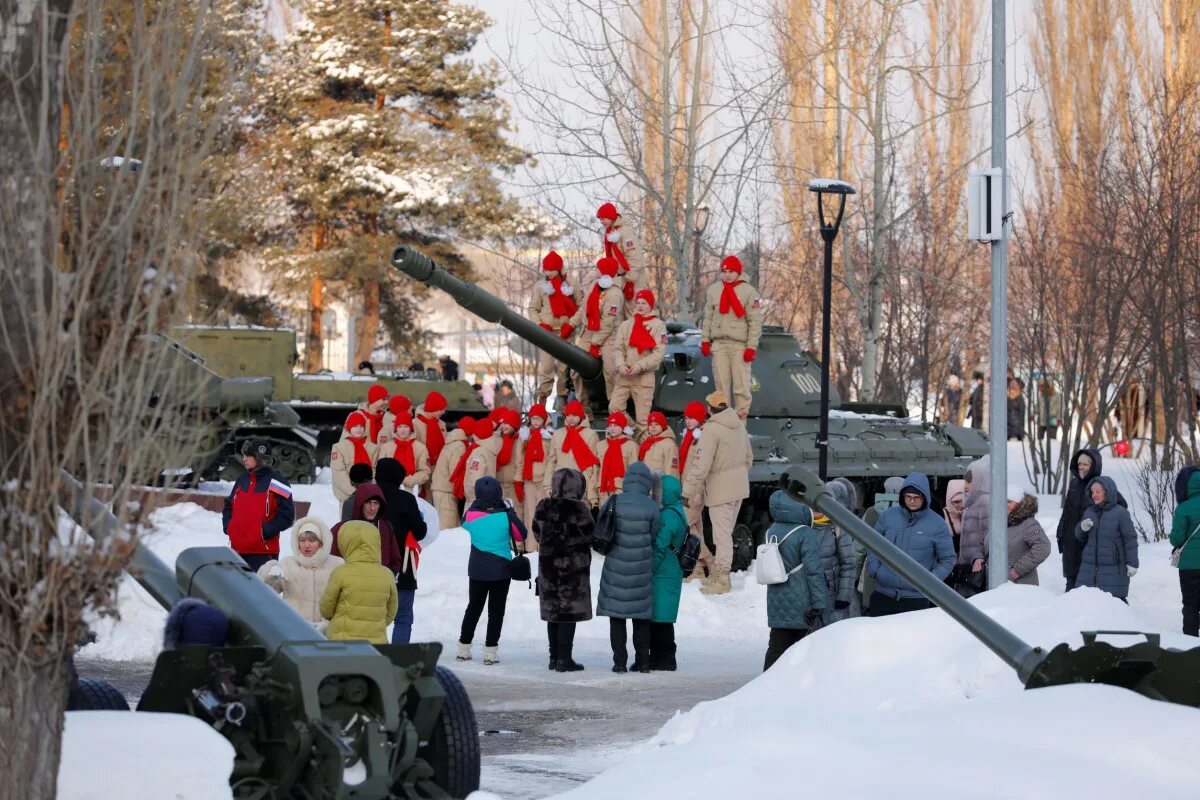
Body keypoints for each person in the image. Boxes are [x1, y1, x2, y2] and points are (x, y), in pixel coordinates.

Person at [681, 391, 752, 595]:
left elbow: (701, 466)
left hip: (720, 489)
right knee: (725, 535)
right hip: (739, 488)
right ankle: (718, 575)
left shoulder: (711, 430)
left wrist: (687, 491)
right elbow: (749, 459)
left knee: (721, 538)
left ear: (710, 409)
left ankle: (722, 579)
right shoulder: (739, 425)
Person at [596, 462, 659, 673]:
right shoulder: (651, 506)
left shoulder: (614, 500)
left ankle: (619, 663)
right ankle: (643, 663)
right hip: (641, 567)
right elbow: (653, 535)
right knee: (641, 617)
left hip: (615, 566)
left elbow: (602, 526)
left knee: (617, 617)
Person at [458, 476, 527, 664]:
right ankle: (490, 651)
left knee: (473, 607)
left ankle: (463, 648)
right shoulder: (505, 515)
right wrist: (510, 511)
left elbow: (463, 525)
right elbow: (522, 534)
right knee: (496, 611)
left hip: (477, 570)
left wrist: (475, 507)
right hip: (501, 569)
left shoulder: (471, 516)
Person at [866, 473, 955, 616]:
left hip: (916, 598)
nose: (911, 501)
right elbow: (873, 545)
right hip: (883, 594)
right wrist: (875, 570)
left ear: (925, 497)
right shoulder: (888, 516)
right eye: (908, 497)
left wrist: (930, 581)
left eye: (916, 497)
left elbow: (948, 558)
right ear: (902, 496)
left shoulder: (937, 524)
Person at [533, 468, 595, 671]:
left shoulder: (543, 505)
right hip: (573, 569)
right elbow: (589, 536)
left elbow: (536, 531)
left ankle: (553, 658)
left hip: (549, 566)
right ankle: (564, 659)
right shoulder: (580, 509)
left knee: (553, 612)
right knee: (568, 613)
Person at [762, 489, 828, 671]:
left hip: (777, 601)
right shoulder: (805, 533)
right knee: (806, 651)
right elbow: (813, 571)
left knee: (776, 648)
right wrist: (819, 604)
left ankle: (766, 686)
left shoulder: (771, 531)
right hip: (802, 602)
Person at [700, 255, 763, 418]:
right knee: (721, 389)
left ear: (738, 272)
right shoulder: (714, 290)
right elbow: (708, 318)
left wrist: (751, 347)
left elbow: (755, 322)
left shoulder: (749, 292)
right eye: (724, 271)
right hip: (719, 345)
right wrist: (705, 340)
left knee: (741, 388)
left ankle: (740, 427)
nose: (727, 275)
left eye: (731, 271)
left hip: (739, 346)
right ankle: (723, 425)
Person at [1056, 448, 1126, 591]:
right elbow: (1067, 512)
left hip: (1090, 541)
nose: (1081, 467)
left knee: (1086, 581)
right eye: (1079, 464)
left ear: (1094, 465)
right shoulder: (1074, 484)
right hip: (1071, 540)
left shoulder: (1100, 485)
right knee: (1070, 578)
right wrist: (1061, 535)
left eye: (1085, 464)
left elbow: (1120, 506)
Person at [374, 458, 428, 644]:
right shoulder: (406, 499)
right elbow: (420, 532)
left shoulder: (368, 499)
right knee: (403, 617)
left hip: (372, 565)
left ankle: (373, 655)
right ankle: (398, 659)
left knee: (373, 617)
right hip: (403, 564)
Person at [257, 517, 343, 633]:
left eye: (312, 541)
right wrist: (270, 574)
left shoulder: (336, 565)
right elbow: (264, 592)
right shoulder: (287, 564)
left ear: (321, 542)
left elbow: (343, 602)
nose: (306, 545)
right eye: (302, 540)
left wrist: (328, 625)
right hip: (294, 630)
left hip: (327, 633)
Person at [222, 438, 295, 571]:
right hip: (237, 552)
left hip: (264, 554)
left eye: (248, 455)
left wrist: (263, 532)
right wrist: (229, 527)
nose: (244, 459)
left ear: (260, 458)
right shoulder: (242, 479)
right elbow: (229, 505)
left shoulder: (279, 482)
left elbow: (287, 516)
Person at [320, 521, 398, 644]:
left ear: (344, 542)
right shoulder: (387, 575)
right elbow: (391, 613)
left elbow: (326, 609)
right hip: (376, 645)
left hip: (342, 644)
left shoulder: (340, 573)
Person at [609, 289, 666, 431]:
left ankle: (642, 448)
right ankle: (633, 431)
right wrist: (620, 364)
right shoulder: (626, 325)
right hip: (625, 375)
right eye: (638, 303)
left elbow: (658, 354)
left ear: (650, 305)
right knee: (614, 407)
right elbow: (617, 349)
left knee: (643, 419)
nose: (640, 306)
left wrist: (640, 366)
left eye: (644, 303)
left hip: (643, 378)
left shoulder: (658, 325)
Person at [1074, 475, 1138, 602]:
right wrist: (1081, 528)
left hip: (1114, 570)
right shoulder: (1089, 511)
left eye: (1098, 491)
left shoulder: (1121, 513)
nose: (1094, 495)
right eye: (1092, 492)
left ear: (1107, 492)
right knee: (1087, 605)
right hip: (1089, 569)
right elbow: (1079, 537)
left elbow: (1130, 539)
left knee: (1114, 606)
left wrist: (1132, 563)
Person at [529, 250, 579, 406]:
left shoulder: (571, 284)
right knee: (547, 369)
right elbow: (532, 309)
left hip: (566, 332)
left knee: (563, 370)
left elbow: (581, 307)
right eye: (546, 269)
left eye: (552, 269)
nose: (548, 273)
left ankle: (562, 402)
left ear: (559, 269)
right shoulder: (540, 287)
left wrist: (571, 324)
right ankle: (541, 402)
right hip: (547, 333)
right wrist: (539, 325)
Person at [650, 475, 688, 671]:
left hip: (664, 572)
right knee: (662, 616)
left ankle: (663, 659)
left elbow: (659, 546)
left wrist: (649, 569)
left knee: (661, 618)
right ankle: (661, 657)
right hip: (670, 571)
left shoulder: (668, 516)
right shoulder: (677, 510)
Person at [575, 256, 625, 397]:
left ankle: (615, 411)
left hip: (610, 336)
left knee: (610, 372)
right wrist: (571, 324)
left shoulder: (615, 294)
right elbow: (583, 310)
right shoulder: (595, 286)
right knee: (575, 369)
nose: (595, 271)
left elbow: (607, 324)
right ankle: (583, 411)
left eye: (598, 268)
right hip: (589, 332)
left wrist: (595, 344)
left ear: (604, 272)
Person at [811, 481, 860, 626]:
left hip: (832, 597)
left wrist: (844, 597)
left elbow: (848, 564)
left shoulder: (837, 529)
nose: (817, 509)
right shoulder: (803, 526)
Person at [543, 400, 601, 509]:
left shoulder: (590, 435)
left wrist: (589, 490)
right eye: (568, 415)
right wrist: (547, 486)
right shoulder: (558, 434)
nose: (571, 418)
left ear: (581, 416)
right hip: (559, 486)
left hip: (580, 486)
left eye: (574, 415)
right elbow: (551, 461)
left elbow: (593, 465)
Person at [825, 477, 866, 619]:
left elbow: (849, 562)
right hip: (840, 589)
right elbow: (851, 562)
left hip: (831, 589)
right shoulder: (847, 524)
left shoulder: (831, 526)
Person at [678, 401, 709, 580]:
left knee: (686, 525)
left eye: (692, 418)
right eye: (686, 418)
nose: (688, 421)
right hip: (687, 487)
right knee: (697, 528)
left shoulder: (703, 437)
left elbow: (701, 468)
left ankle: (707, 560)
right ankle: (698, 567)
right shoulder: (689, 436)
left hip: (695, 490)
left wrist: (698, 492)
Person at [596, 202, 645, 314]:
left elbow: (634, 256)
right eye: (600, 219)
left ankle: (638, 330)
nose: (601, 222)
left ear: (611, 216)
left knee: (634, 306)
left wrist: (631, 279)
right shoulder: (611, 232)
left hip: (632, 274)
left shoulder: (625, 232)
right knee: (623, 308)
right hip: (621, 275)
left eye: (603, 218)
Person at [1170, 465, 1200, 636]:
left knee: (1190, 606)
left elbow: (1177, 539)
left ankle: (1190, 644)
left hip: (1189, 566)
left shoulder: (1183, 509)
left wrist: (1171, 537)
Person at [516, 404, 553, 543]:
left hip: (544, 481)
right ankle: (531, 546)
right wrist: (518, 480)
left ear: (544, 420)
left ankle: (543, 546)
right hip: (529, 480)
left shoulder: (549, 436)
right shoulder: (525, 436)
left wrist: (549, 480)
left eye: (538, 418)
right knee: (530, 514)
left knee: (544, 515)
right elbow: (519, 460)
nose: (536, 421)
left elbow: (551, 459)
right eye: (533, 418)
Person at [431, 417, 474, 530]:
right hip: (445, 491)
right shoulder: (459, 446)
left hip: (443, 489)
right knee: (447, 527)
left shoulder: (453, 442)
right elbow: (455, 471)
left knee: (451, 524)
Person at [956, 455, 990, 592]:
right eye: (965, 481)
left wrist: (979, 557)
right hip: (967, 567)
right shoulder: (972, 502)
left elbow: (989, 535)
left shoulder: (985, 502)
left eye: (970, 482)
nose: (965, 486)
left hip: (976, 570)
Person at [1004, 484, 1051, 585]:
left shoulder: (1028, 523)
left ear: (1020, 504)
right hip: (1001, 586)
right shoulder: (1000, 523)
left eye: (1009, 501)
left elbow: (1043, 547)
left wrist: (1018, 569)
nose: (1005, 505)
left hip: (1020, 586)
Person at [376, 412, 431, 494]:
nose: (403, 430)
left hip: (412, 491)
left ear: (411, 428)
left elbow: (425, 472)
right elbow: (379, 469)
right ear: (396, 429)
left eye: (406, 426)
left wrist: (407, 480)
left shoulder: (420, 448)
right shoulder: (386, 447)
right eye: (399, 427)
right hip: (389, 490)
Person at [331, 412, 378, 504]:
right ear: (349, 427)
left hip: (369, 496)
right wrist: (354, 492)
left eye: (361, 426)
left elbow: (375, 470)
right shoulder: (339, 448)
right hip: (347, 496)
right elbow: (338, 472)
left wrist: (369, 491)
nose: (358, 429)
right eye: (355, 426)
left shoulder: (373, 448)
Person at [598, 411, 638, 505]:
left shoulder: (631, 446)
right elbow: (597, 470)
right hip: (603, 490)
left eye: (616, 425)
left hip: (622, 489)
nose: (612, 428)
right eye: (610, 425)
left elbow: (634, 472)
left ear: (623, 427)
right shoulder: (600, 445)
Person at [463, 419, 500, 505]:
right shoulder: (490, 449)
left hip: (475, 499)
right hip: (487, 496)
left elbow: (475, 477)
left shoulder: (478, 452)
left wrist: (471, 493)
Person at [493, 408, 522, 517]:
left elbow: (520, 463)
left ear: (514, 425)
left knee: (516, 513)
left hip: (513, 484)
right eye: (503, 422)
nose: (504, 426)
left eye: (507, 423)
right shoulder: (497, 439)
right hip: (499, 483)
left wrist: (518, 480)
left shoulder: (519, 441)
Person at [414, 391, 448, 473]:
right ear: (433, 408)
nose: (444, 412)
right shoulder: (415, 424)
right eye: (441, 409)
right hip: (421, 468)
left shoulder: (441, 424)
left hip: (439, 467)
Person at [638, 411, 679, 479]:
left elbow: (672, 472)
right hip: (646, 485)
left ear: (662, 426)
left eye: (656, 424)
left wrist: (669, 488)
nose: (653, 427)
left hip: (660, 486)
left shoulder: (669, 445)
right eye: (650, 425)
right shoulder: (647, 443)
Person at [942, 478, 965, 556]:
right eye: (956, 502)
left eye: (963, 501)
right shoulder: (941, 516)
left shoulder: (972, 514)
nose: (961, 505)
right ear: (949, 500)